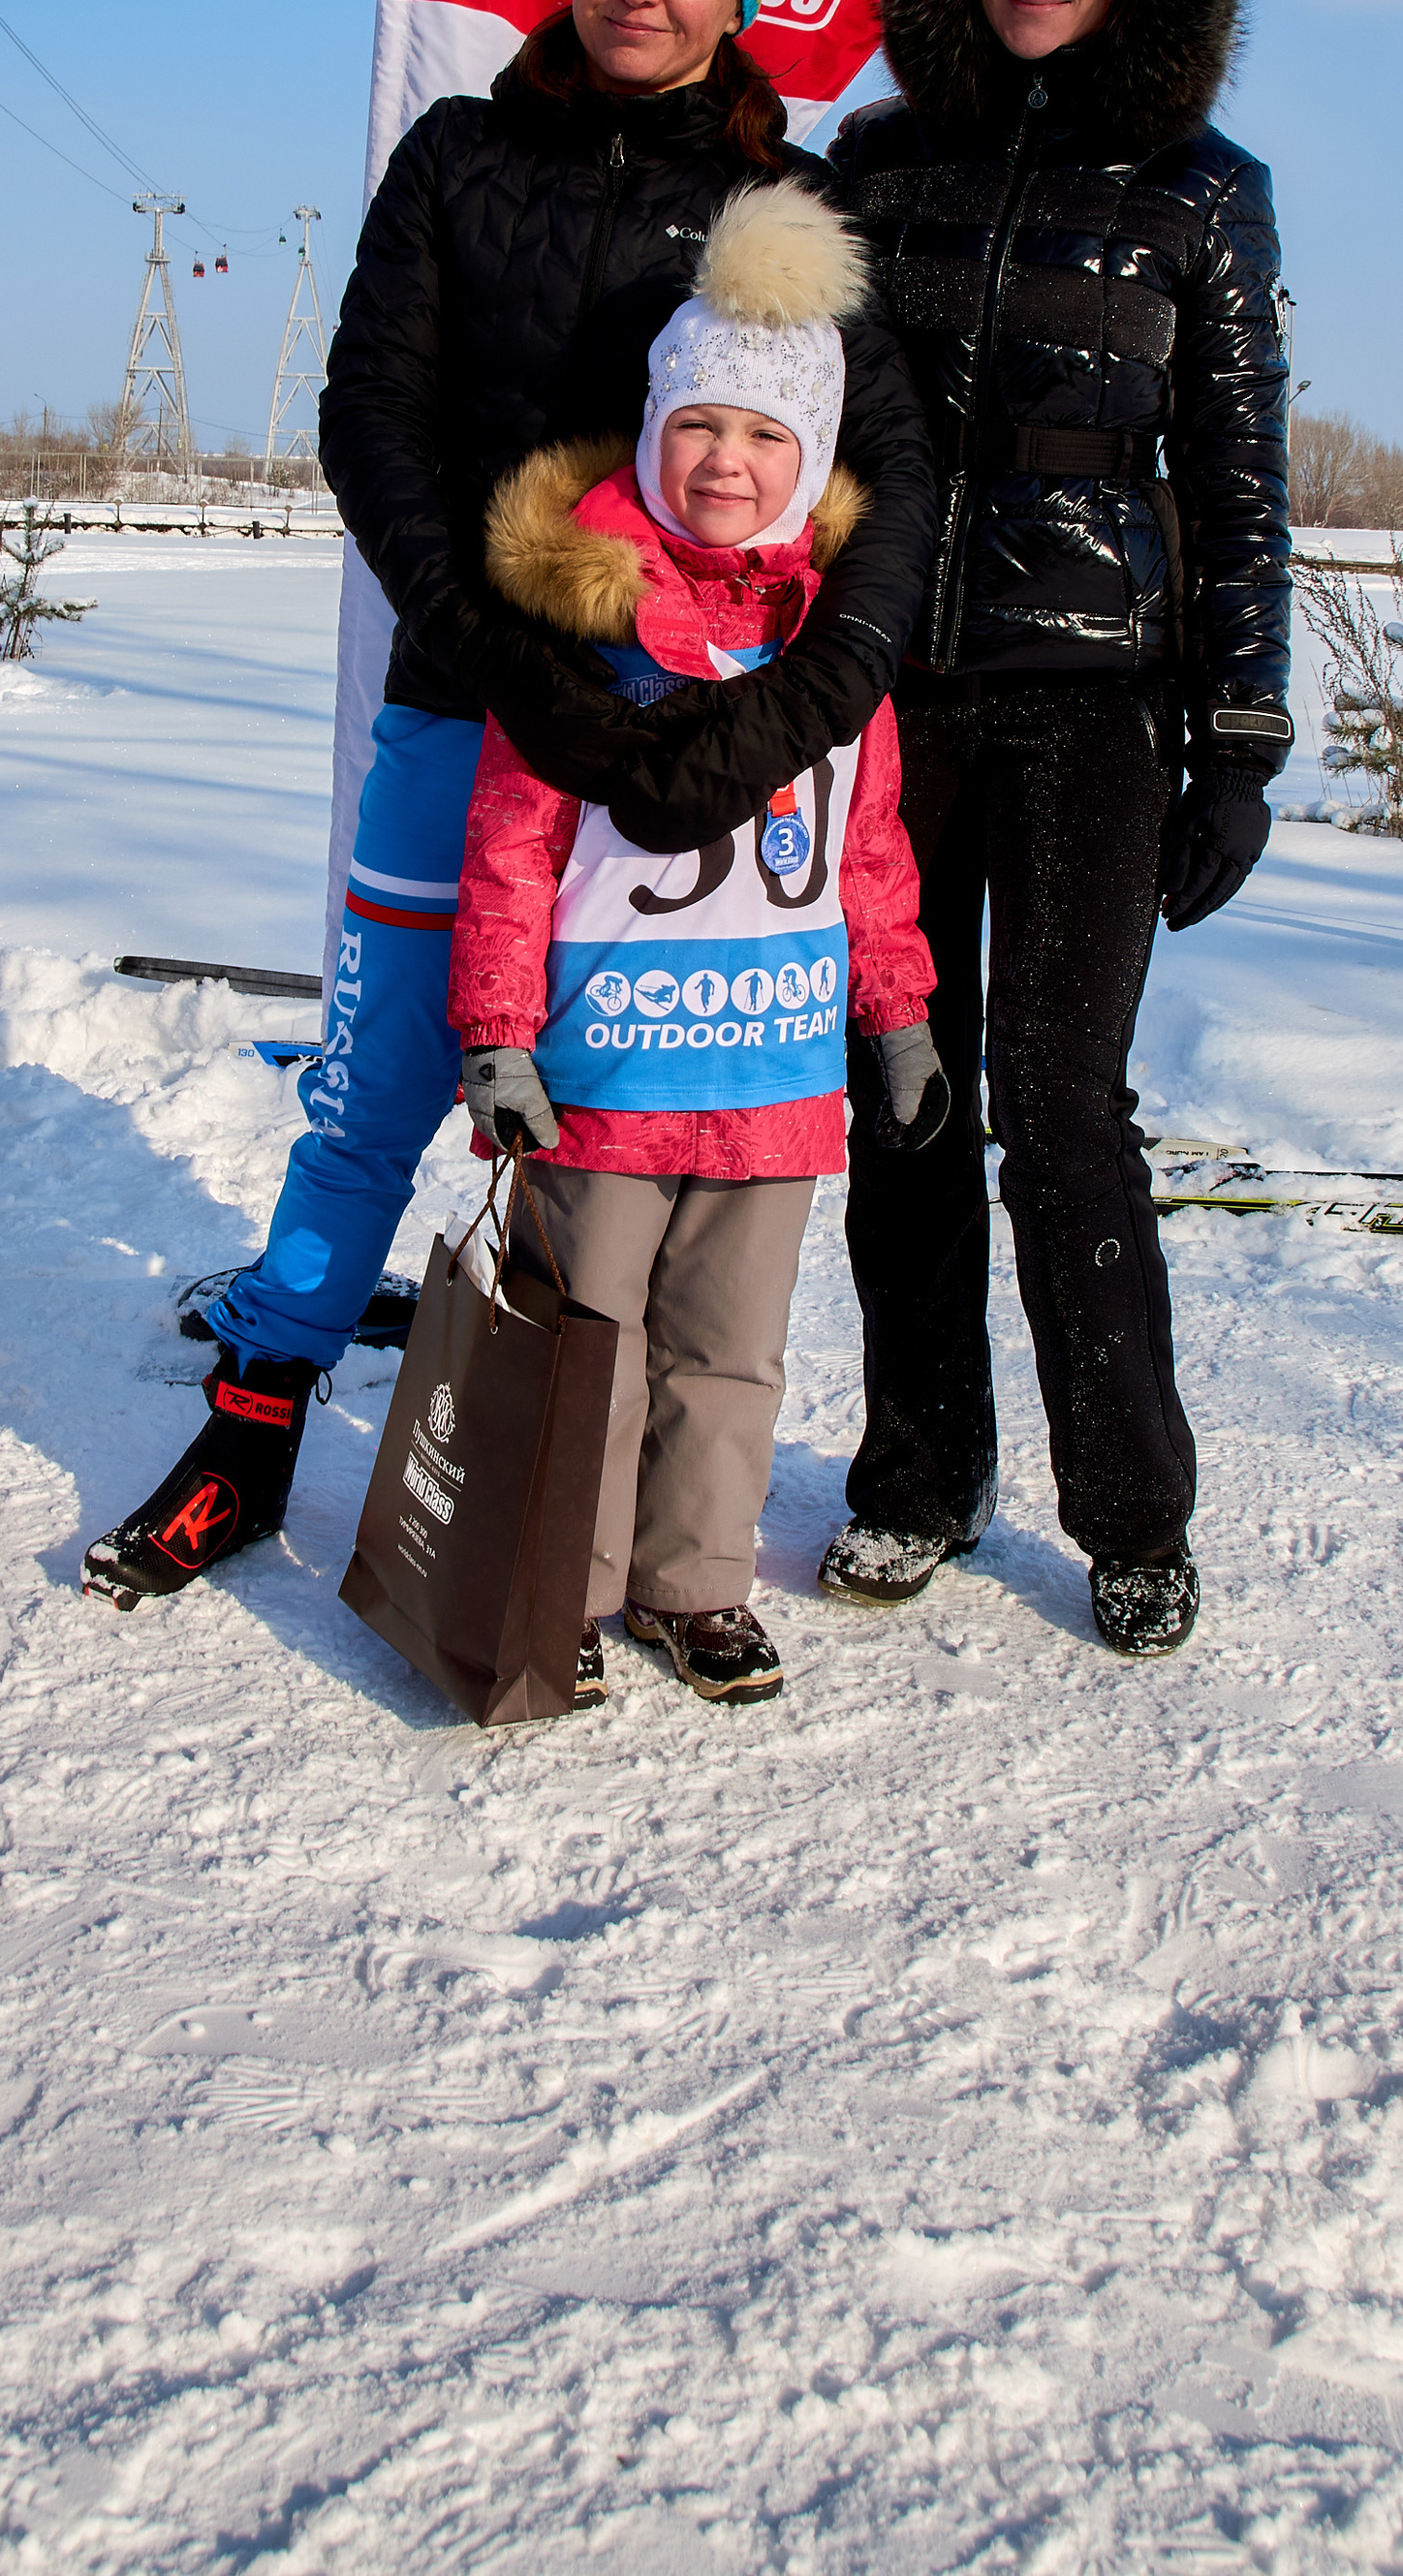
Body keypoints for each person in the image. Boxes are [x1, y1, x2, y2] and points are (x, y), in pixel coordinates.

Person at [83, 0, 936, 1609]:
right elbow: (367, 415)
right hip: (467, 703)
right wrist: (499, 658)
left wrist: (796, 711)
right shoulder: (460, 157)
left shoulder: (779, 212)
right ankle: (257, 1418)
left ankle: (620, 1494)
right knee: (384, 1066)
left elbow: (892, 480)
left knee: (642, 1117)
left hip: (694, 748)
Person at [817, 0, 1291, 1659]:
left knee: (1059, 1099)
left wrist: (1236, 737)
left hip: (1093, 698)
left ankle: (1131, 1512)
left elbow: (1244, 466)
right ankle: (919, 1476)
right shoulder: (871, 161)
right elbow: (786, 422)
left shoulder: (1199, 188)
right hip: (890, 695)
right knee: (899, 1096)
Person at [450, 180, 941, 1706]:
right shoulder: (581, 639)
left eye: (765, 437)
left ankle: (696, 1583)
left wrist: (900, 1011)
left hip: (776, 1079)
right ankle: (571, 1584)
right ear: (655, 435)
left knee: (730, 1354)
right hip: (604, 1077)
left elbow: (870, 853)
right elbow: (514, 853)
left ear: (809, 464)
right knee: (588, 1346)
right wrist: (497, 1036)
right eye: (699, 428)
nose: (728, 461)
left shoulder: (836, 651)